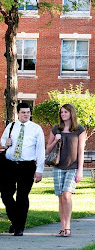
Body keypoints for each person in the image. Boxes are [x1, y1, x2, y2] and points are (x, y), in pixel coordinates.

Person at [0, 102, 45, 236]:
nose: (26, 114)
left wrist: (39, 170)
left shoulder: (36, 129)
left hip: (27, 166)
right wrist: (5, 143)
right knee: (6, 195)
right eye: (23, 112)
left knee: (22, 197)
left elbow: (40, 150)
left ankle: (19, 227)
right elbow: (2, 140)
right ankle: (15, 220)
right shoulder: (11, 126)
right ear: (18, 113)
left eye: (28, 112)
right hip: (9, 165)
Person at [45, 104, 86, 237]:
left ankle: (67, 227)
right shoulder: (56, 129)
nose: (63, 114)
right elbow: (48, 149)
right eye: (61, 112)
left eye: (66, 112)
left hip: (72, 167)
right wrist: (55, 140)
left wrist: (80, 170)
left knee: (67, 195)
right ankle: (62, 227)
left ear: (71, 113)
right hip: (58, 166)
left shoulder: (79, 130)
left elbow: (81, 151)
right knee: (61, 197)